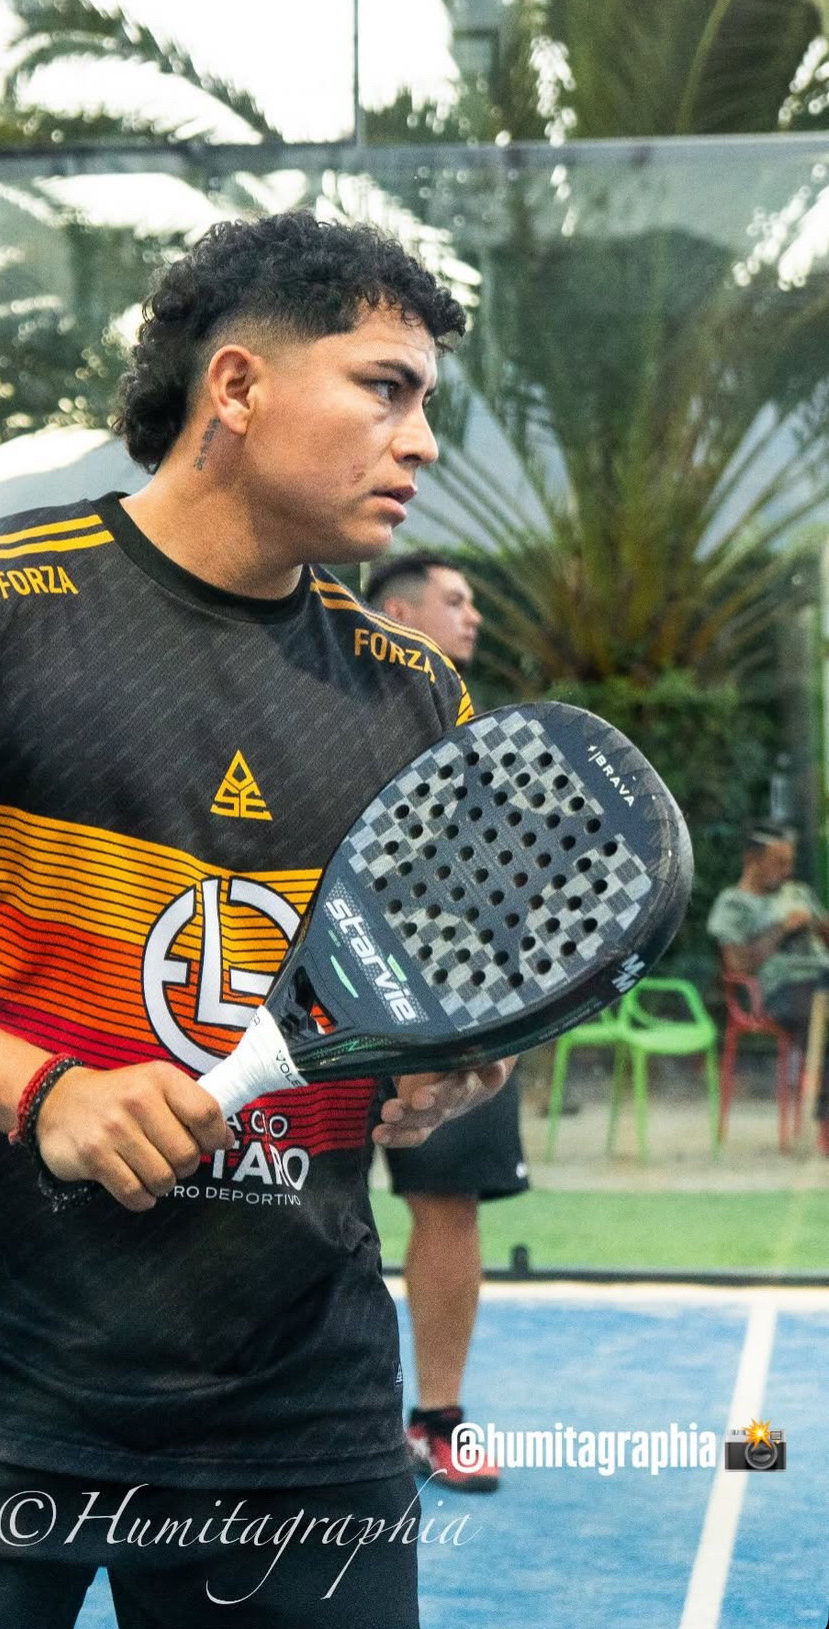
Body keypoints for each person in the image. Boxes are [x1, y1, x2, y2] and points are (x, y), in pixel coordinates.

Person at [0, 211, 513, 1629]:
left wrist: (442, 1067)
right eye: (383, 388)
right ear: (236, 386)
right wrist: (43, 1091)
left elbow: (430, 999)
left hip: (294, 1408)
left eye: (423, 403)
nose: (419, 441)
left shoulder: (417, 696)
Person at [363, 553, 527, 1495]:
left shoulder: (484, 736)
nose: (472, 616)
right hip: (314, 995)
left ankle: (437, 1416)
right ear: (397, 609)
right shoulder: (318, 715)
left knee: (448, 1200)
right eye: (455, 600)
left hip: (449, 1004)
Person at [708, 822, 829, 1129]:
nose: (788, 871)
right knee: (821, 1010)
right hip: (777, 991)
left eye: (790, 863)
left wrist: (820, 926)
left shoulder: (798, 892)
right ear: (752, 860)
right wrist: (782, 928)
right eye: (779, 863)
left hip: (821, 977)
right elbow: (737, 966)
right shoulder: (733, 903)